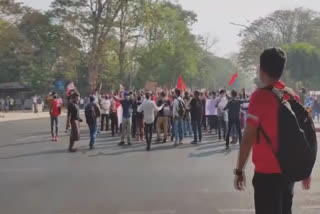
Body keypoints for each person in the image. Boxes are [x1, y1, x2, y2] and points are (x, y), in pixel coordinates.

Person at [234, 48, 311, 214]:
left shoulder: (259, 98)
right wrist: (306, 170)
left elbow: (247, 139)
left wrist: (239, 170)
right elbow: (301, 136)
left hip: (266, 174)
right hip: (288, 171)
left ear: (261, 71)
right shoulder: (291, 95)